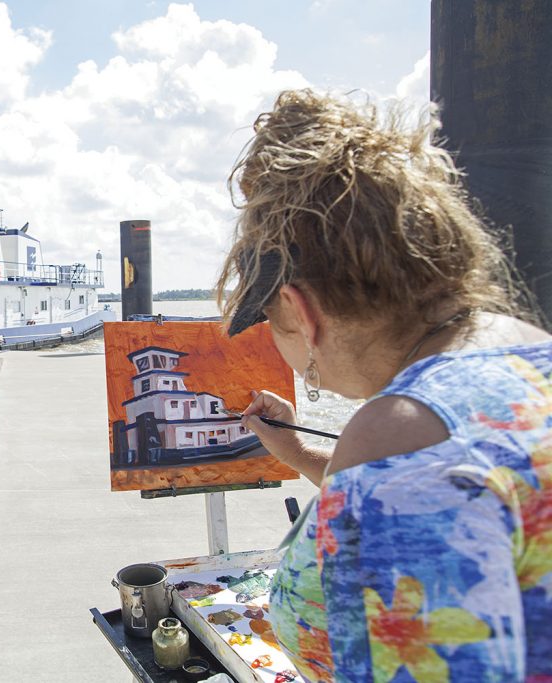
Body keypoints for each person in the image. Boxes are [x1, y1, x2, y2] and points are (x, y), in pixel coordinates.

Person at [216, 90, 552, 681]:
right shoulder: (529, 347)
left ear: (299, 311)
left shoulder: (400, 442)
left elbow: (417, 483)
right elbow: (465, 492)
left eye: (268, 320)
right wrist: (299, 454)